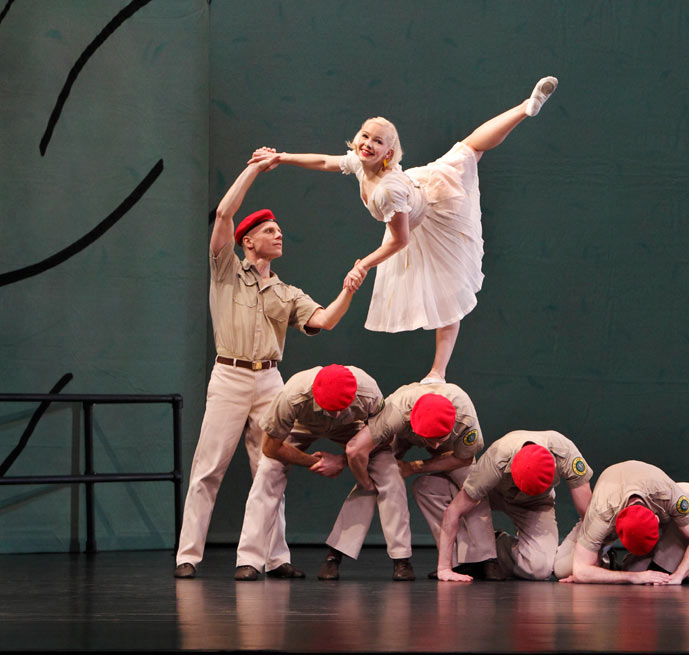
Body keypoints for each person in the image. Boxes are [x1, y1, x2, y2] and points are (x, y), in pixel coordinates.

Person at [248, 76, 559, 383]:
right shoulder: (360, 161)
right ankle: (523, 108)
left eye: (378, 141)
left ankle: (524, 108)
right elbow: (325, 162)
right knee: (468, 149)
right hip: (414, 199)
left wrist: (364, 264)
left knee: (450, 292)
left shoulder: (389, 189)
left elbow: (400, 240)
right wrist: (281, 157)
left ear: (389, 153)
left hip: (433, 214)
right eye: (365, 136)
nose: (368, 144)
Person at [173, 154, 358, 579]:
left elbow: (324, 320)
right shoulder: (226, 271)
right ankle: (188, 555)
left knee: (270, 466)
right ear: (248, 241)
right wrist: (255, 168)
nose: (279, 235)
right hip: (230, 374)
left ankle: (271, 558)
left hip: (269, 380)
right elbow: (224, 211)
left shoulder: (286, 292)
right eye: (269, 231)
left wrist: (349, 289)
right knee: (209, 467)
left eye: (279, 230)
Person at [231, 364, 411, 581]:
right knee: (267, 470)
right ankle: (249, 560)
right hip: (304, 424)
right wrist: (313, 462)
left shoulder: (368, 392)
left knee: (389, 473)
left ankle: (402, 559)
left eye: (340, 408)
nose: (335, 413)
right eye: (330, 408)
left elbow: (384, 437)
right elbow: (271, 447)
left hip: (352, 428)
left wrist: (343, 459)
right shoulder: (292, 396)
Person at [319, 381, 488, 580]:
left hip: (449, 443)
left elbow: (464, 458)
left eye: (437, 440)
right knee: (383, 476)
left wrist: (415, 466)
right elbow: (357, 449)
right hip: (404, 432)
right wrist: (361, 478)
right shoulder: (396, 412)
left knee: (473, 483)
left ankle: (484, 559)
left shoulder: (465, 419)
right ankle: (336, 555)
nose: (432, 446)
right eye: (429, 441)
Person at [420, 429, 593, 582]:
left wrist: (589, 558)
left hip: (536, 503)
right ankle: (473, 556)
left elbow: (588, 515)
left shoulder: (565, 453)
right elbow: (453, 511)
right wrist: (444, 568)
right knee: (431, 487)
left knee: (540, 569)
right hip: (493, 494)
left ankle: (496, 543)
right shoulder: (497, 458)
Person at [554, 461, 689, 585]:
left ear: (657, 518)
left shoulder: (667, 494)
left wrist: (679, 575)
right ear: (616, 530)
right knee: (563, 569)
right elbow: (581, 571)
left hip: (654, 489)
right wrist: (634, 577)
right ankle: (607, 557)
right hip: (607, 503)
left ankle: (664, 566)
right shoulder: (602, 512)